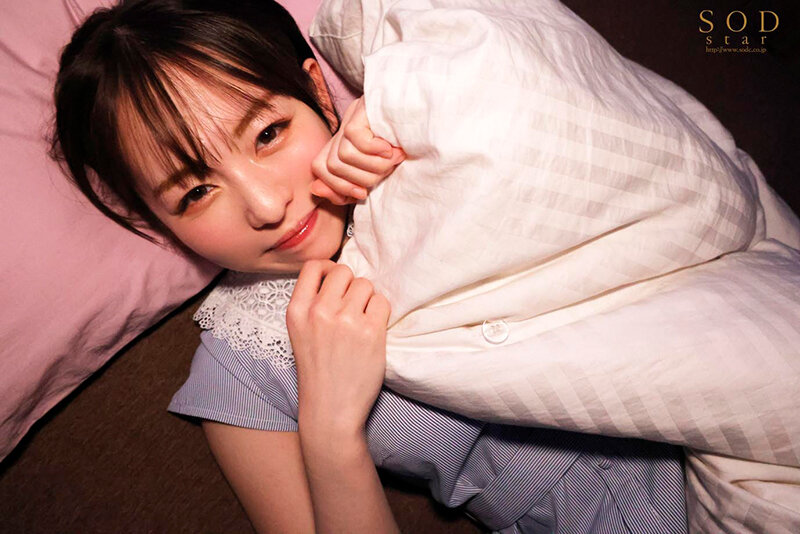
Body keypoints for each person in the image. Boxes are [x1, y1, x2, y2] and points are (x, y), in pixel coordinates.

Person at [51, 1, 688, 532]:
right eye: (195, 193)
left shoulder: (427, 134)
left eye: (269, 134)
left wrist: (420, 119)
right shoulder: (240, 371)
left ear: (317, 92)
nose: (267, 206)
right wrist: (331, 428)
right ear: (156, 223)